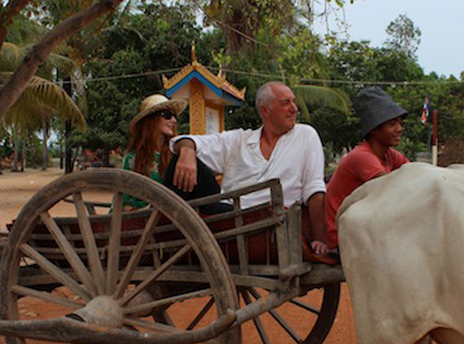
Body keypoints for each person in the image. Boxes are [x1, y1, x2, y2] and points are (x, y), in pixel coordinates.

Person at [168, 81, 329, 255]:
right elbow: (185, 140)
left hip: (269, 222)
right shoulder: (240, 139)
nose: (294, 108)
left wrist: (320, 238)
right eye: (285, 103)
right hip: (228, 217)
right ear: (264, 111)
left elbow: (314, 189)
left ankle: (171, 241)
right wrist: (186, 150)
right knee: (180, 160)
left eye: (293, 102)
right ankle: (166, 239)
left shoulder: (305, 135)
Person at [325, 86, 409, 250]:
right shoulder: (362, 157)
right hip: (344, 235)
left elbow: (415, 174)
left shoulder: (390, 155)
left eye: (399, 123)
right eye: (392, 124)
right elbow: (393, 190)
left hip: (366, 227)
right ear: (374, 130)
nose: (399, 129)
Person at [121, 93, 187, 210]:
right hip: (143, 219)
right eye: (167, 115)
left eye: (174, 116)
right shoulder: (132, 158)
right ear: (152, 120)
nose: (174, 120)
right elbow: (124, 201)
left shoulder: (177, 153)